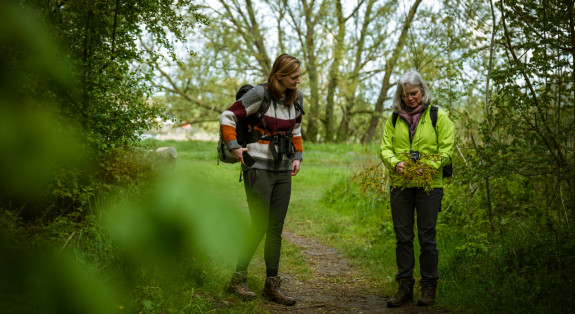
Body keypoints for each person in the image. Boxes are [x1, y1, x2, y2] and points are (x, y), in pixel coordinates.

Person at [219, 54, 304, 306]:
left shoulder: (296, 97)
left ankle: (271, 285)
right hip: (257, 167)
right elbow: (227, 117)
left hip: (282, 168)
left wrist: (297, 156)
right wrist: (234, 146)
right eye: (294, 77)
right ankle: (237, 279)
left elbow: (296, 128)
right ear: (279, 76)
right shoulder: (258, 94)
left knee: (276, 227)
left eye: (299, 76)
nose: (298, 81)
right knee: (259, 224)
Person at [379, 69, 454, 307]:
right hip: (401, 184)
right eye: (405, 95)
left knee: (427, 238)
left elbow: (447, 150)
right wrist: (396, 163)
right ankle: (404, 288)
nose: (410, 98)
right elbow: (385, 149)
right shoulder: (393, 118)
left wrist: (428, 167)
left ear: (422, 91)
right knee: (403, 238)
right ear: (399, 97)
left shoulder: (438, 115)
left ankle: (429, 288)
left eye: (414, 93)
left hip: (430, 185)